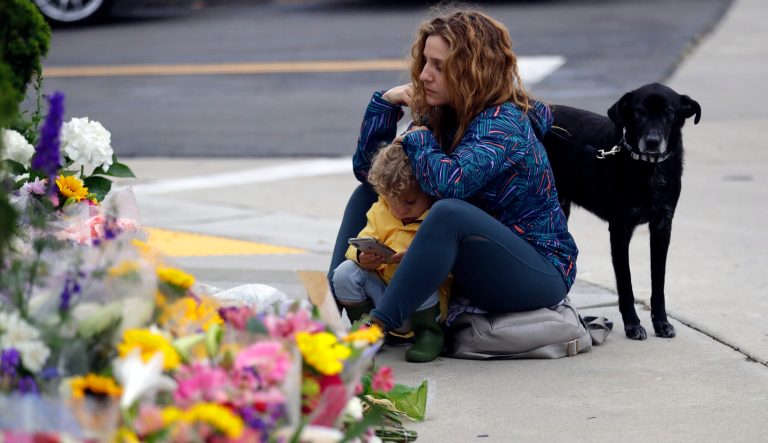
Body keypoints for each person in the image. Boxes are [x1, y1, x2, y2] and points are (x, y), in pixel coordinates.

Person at [327, 9, 579, 361]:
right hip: (472, 266)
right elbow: (370, 173)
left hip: (536, 272)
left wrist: (417, 139)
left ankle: (377, 328)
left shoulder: (503, 123)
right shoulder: (445, 112)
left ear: (473, 71)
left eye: (440, 66)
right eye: (425, 62)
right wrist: (385, 106)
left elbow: (452, 185)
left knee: (449, 212)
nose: (425, 75)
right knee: (373, 193)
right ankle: (323, 312)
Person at [332, 142, 451, 362]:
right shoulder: (381, 210)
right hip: (383, 302)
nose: (400, 209)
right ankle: (369, 331)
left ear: (430, 190)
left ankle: (429, 334)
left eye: (409, 201)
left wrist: (420, 258)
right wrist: (362, 257)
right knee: (345, 272)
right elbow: (362, 240)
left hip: (419, 309)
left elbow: (451, 264)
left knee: (417, 273)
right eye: (392, 201)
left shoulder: (439, 216)